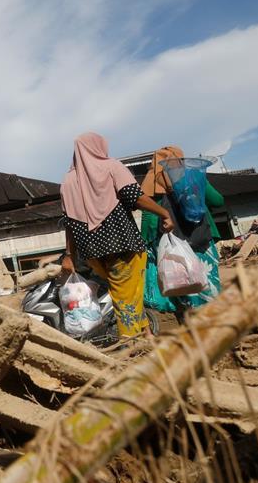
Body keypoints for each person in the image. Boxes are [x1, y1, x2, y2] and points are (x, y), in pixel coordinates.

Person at [60, 132, 175, 340]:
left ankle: (146, 334)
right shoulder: (111, 167)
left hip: (92, 252)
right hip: (121, 245)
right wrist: (164, 213)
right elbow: (135, 197)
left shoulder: (67, 182)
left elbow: (68, 223)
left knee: (128, 293)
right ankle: (130, 346)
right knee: (125, 298)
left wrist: (69, 254)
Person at [140, 145, 225, 321]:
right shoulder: (193, 177)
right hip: (200, 241)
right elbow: (218, 201)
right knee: (207, 286)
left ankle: (191, 329)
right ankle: (216, 327)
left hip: (172, 250)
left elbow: (147, 227)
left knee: (181, 288)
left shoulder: (149, 185)